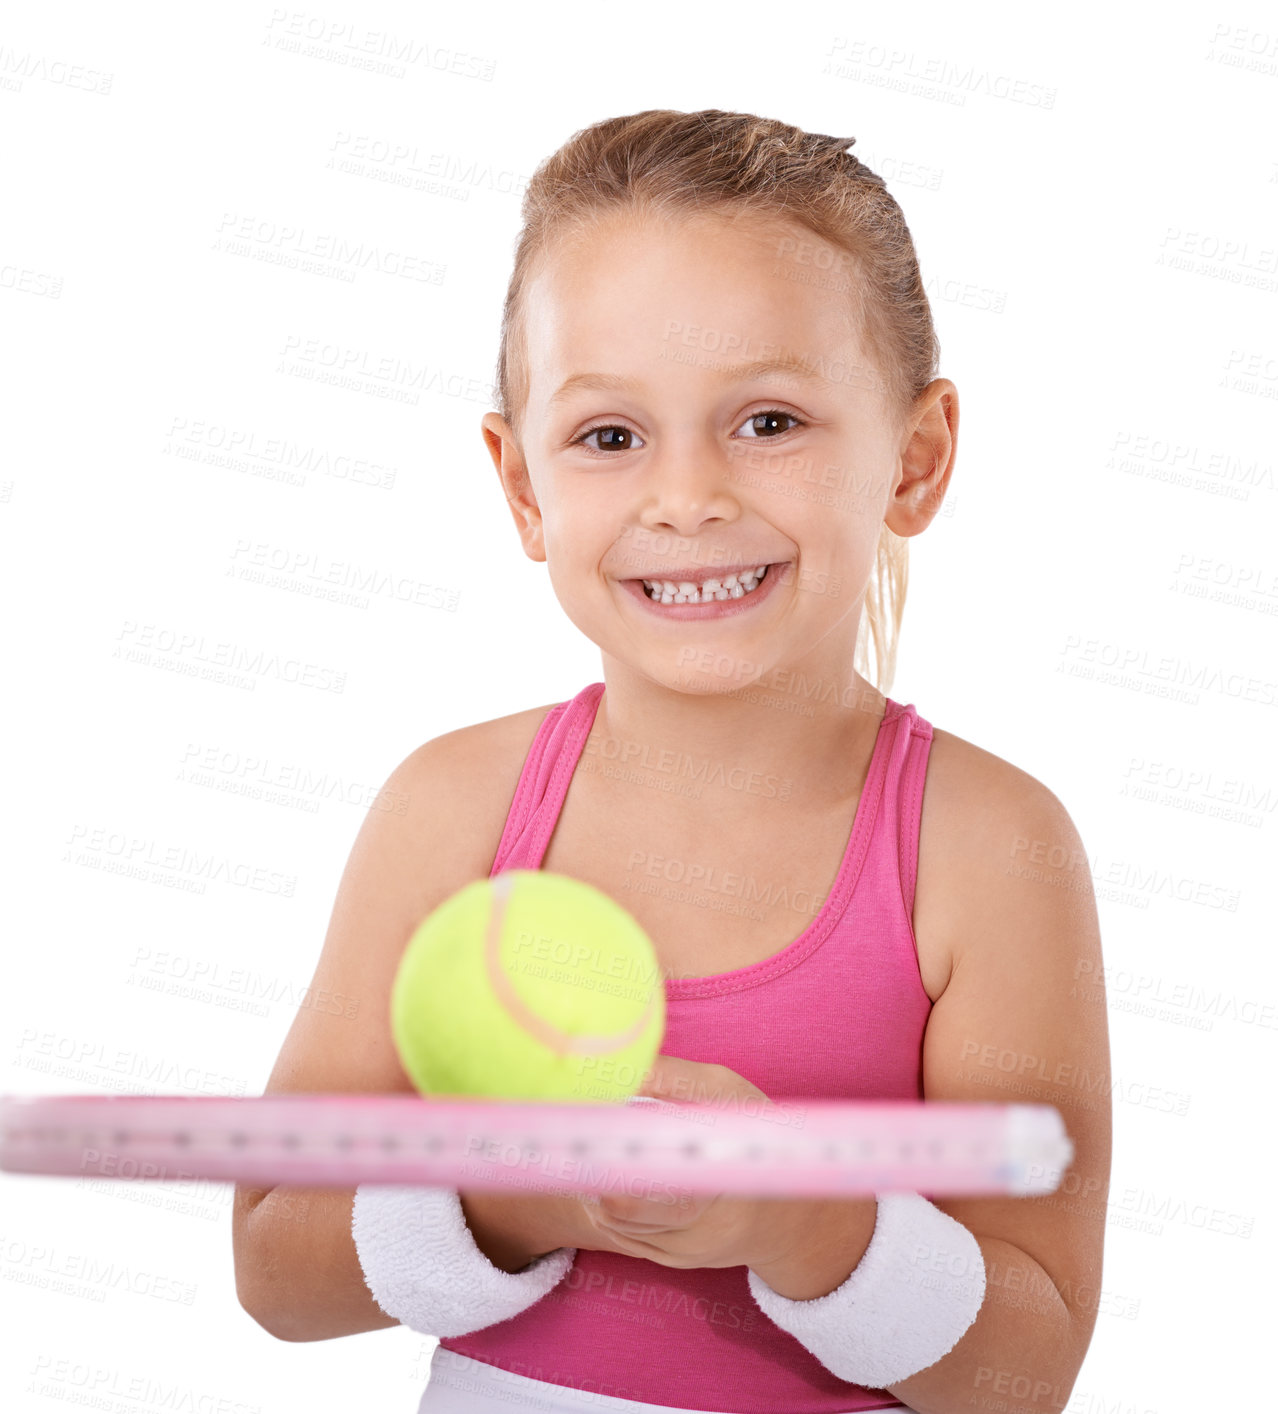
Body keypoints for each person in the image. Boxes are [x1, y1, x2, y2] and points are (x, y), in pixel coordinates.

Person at [231, 108, 1112, 1414]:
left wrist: (803, 1220)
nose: (687, 496)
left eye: (766, 420)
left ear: (914, 459)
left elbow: (1025, 1370)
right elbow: (274, 1264)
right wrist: (517, 1194)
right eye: (607, 435)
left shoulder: (987, 847)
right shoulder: (452, 810)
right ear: (521, 486)